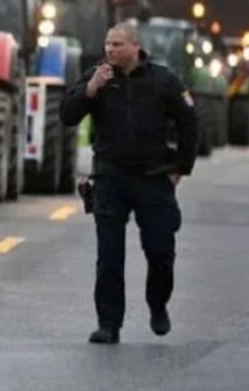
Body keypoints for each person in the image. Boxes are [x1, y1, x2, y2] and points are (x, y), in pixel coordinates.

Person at [60, 21, 198, 345]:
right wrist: (90, 89)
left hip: (153, 179)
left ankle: (157, 303)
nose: (110, 50)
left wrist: (182, 167)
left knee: (161, 251)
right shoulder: (98, 77)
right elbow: (67, 114)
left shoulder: (162, 80)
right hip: (111, 178)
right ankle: (109, 323)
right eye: (107, 44)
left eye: (117, 45)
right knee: (109, 256)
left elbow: (189, 120)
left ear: (135, 47)